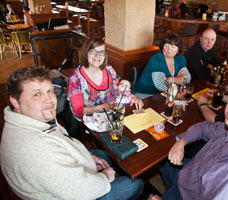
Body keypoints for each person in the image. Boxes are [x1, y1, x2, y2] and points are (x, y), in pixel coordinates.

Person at [0, 66, 144, 200]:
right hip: (74, 193)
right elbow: (80, 190)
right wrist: (105, 178)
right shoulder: (37, 151)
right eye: (37, 94)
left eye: (49, 91)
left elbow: (62, 147)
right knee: (135, 184)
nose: (49, 100)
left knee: (106, 154)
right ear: (15, 102)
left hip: (62, 174)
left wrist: (88, 156)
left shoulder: (26, 119)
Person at [148, 80, 228, 200]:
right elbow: (203, 127)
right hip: (190, 179)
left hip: (188, 194)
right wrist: (181, 142)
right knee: (160, 154)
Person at [67, 37, 144, 121]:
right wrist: (104, 108)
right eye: (93, 51)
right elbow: (78, 111)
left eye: (102, 52)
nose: (98, 56)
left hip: (112, 117)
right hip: (90, 124)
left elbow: (120, 90)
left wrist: (133, 97)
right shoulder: (75, 78)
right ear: (86, 52)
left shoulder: (109, 70)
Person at [135, 33, 191, 99]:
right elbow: (162, 86)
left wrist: (171, 79)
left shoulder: (180, 59)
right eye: (166, 46)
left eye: (173, 47)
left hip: (165, 94)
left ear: (178, 50)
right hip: (146, 94)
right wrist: (178, 79)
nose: (169, 50)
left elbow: (187, 79)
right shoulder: (156, 60)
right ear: (162, 47)